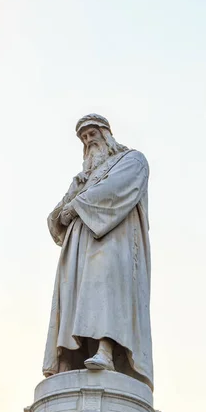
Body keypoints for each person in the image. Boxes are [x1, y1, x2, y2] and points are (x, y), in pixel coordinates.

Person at [43, 113, 153, 389]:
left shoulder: (131, 160)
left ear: (106, 133)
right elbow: (59, 211)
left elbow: (117, 189)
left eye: (93, 134)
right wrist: (63, 211)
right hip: (78, 245)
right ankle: (67, 358)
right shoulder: (82, 178)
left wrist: (77, 206)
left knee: (105, 288)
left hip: (113, 238)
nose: (89, 140)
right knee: (73, 295)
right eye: (84, 137)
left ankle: (107, 350)